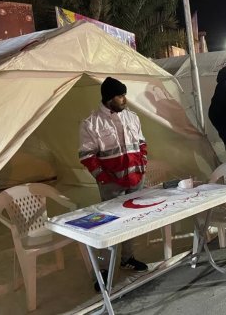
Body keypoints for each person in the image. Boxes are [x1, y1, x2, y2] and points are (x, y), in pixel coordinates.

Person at [79, 77, 148, 291]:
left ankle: (127, 258)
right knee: (108, 226)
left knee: (130, 223)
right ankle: (102, 270)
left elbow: (142, 143)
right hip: (112, 185)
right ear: (109, 98)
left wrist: (142, 164)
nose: (124, 99)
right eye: (120, 95)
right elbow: (87, 155)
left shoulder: (132, 117)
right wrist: (103, 178)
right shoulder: (91, 124)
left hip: (135, 181)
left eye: (124, 95)